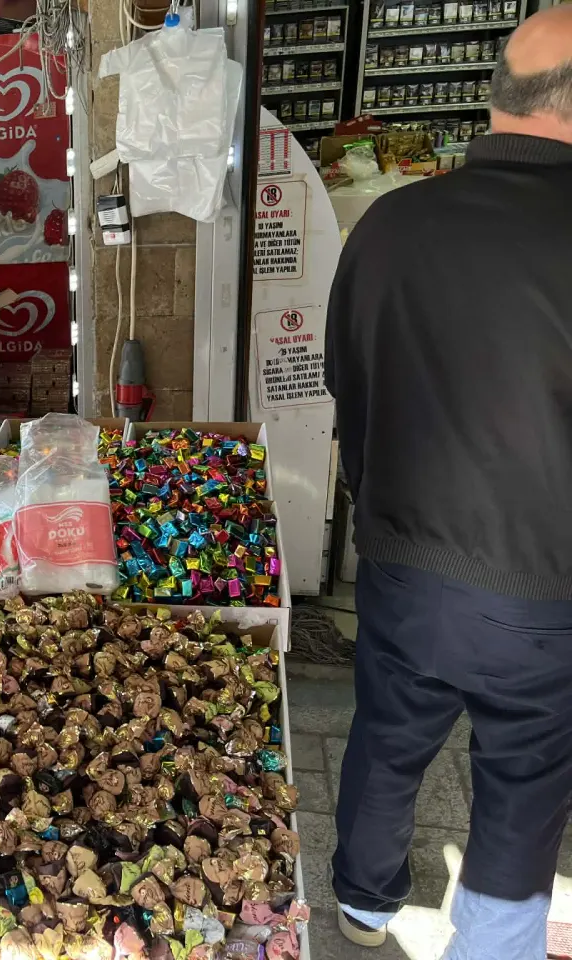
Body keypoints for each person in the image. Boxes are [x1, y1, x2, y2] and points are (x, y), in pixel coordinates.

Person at [324, 6, 572, 956]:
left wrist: (378, 512)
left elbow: (349, 381)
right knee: (525, 780)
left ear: (500, 95)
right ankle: (492, 943)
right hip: (546, 589)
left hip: (405, 561)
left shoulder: (391, 221)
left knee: (389, 734)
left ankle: (363, 904)